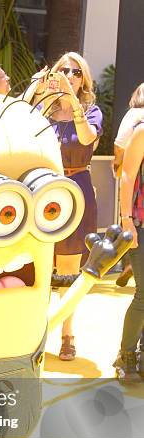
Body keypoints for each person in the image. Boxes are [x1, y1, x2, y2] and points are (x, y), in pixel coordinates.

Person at [39, 52, 102, 361]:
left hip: (76, 190)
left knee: (68, 269)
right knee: (37, 264)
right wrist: (39, 93)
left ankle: (67, 334)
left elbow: (88, 138)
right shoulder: (43, 111)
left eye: (76, 71)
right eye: (63, 69)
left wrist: (72, 104)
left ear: (84, 79)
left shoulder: (91, 111)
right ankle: (34, 332)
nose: (69, 75)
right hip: (45, 191)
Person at [114, 122, 144, 382]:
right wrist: (126, 221)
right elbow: (128, 174)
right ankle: (126, 354)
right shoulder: (142, 131)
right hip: (141, 224)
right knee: (143, 296)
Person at [113, 83, 144, 287]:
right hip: (135, 183)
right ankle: (131, 264)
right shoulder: (137, 119)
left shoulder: (132, 115)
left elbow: (118, 147)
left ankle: (130, 264)